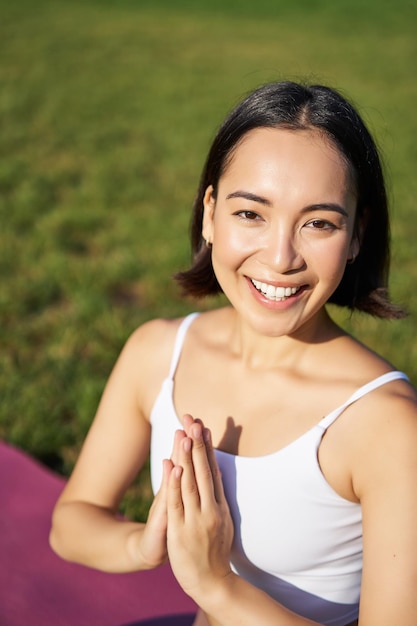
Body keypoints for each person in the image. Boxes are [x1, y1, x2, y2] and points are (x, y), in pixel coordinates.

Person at [50, 81, 417, 626]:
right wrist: (146, 545)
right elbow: (71, 523)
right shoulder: (157, 352)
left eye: (318, 223)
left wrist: (216, 585)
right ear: (209, 213)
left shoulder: (387, 426)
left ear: (357, 235)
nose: (280, 256)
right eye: (251, 214)